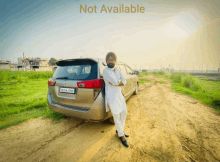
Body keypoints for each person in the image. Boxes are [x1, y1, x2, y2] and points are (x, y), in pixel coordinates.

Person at [103, 52, 129, 147]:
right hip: (111, 97)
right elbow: (114, 82)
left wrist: (120, 82)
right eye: (108, 60)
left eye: (112, 59)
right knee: (116, 116)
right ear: (106, 61)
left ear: (115, 60)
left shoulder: (117, 70)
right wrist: (119, 82)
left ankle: (119, 130)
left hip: (119, 95)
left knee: (124, 112)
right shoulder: (105, 71)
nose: (110, 61)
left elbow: (124, 80)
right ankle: (121, 136)